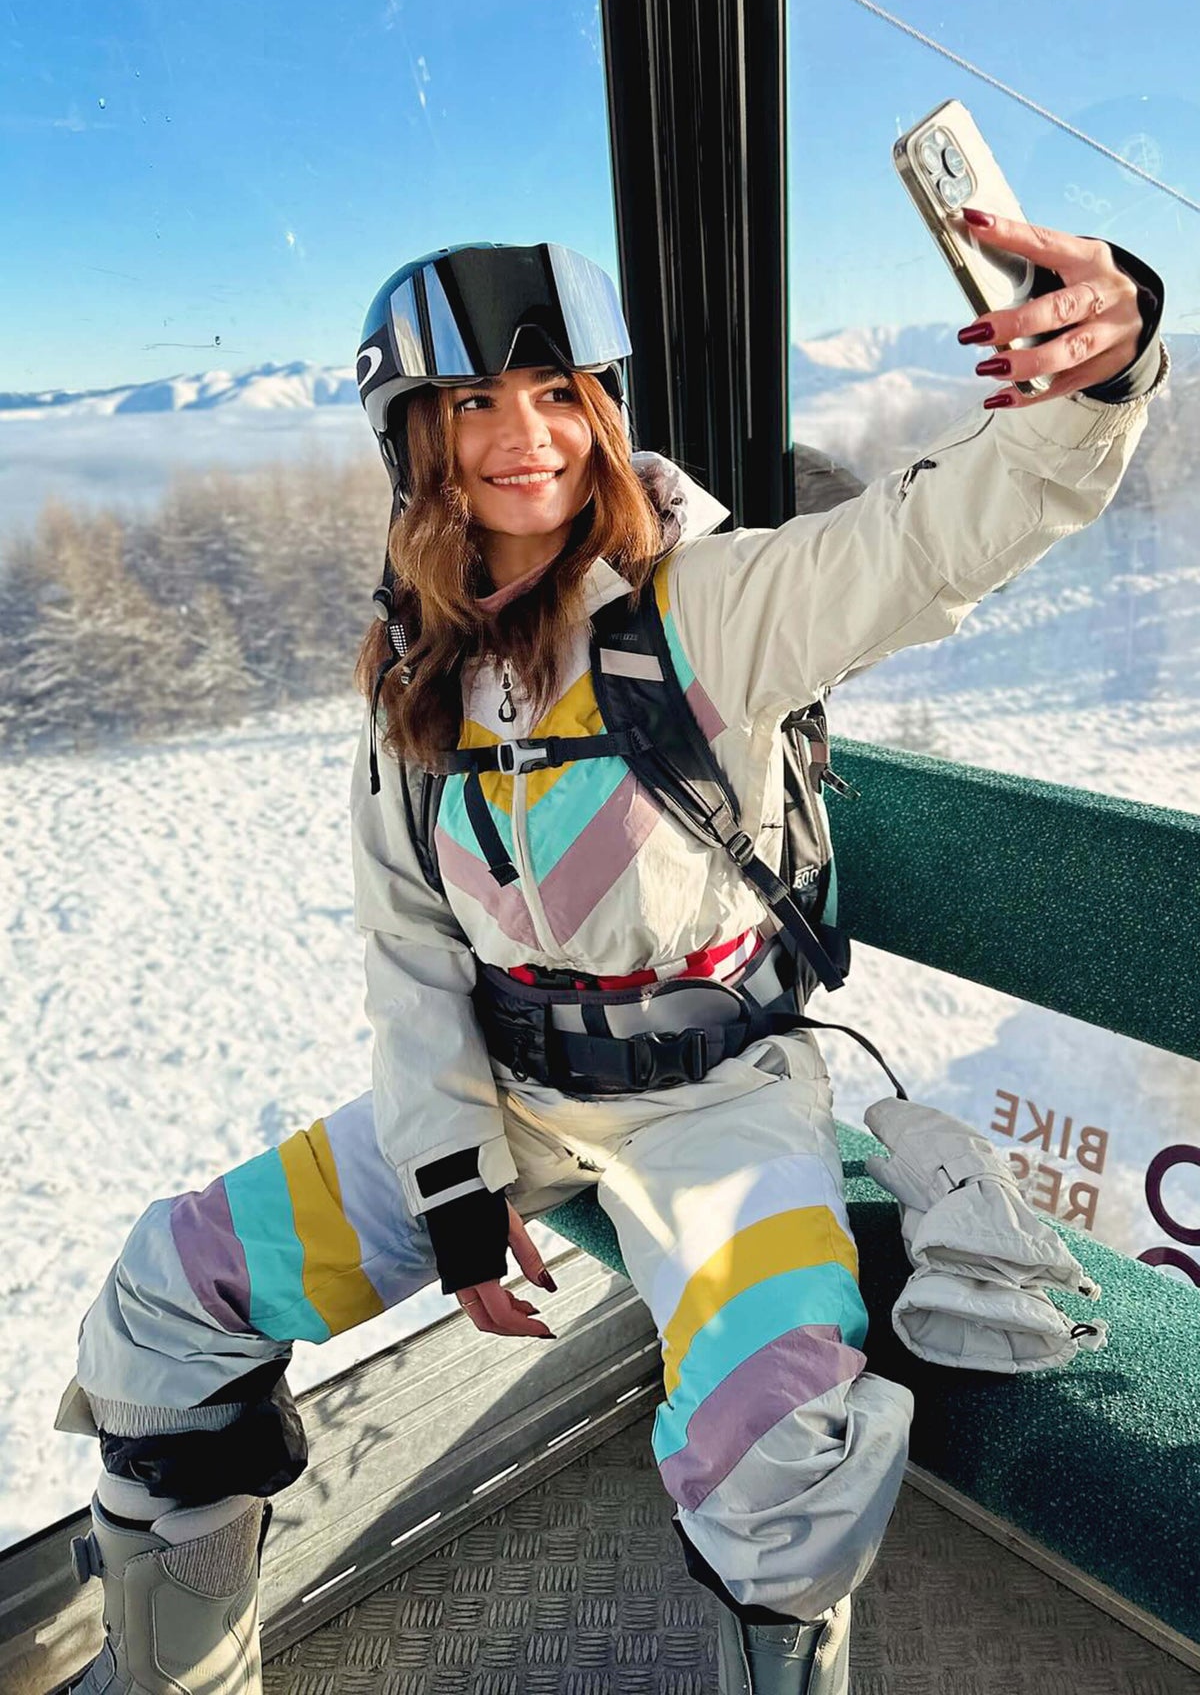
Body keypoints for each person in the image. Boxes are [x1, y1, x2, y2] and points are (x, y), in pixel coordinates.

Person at [55, 222, 1167, 1695]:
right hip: (507, 1094)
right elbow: (410, 939)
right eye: (474, 403)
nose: (525, 436)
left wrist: (1097, 385)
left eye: (558, 393)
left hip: (718, 1102)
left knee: (783, 1451)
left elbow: (929, 541)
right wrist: (451, 1180)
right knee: (167, 1300)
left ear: (602, 408)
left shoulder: (710, 609)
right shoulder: (417, 670)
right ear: (414, 443)